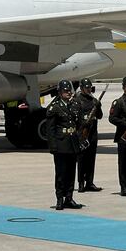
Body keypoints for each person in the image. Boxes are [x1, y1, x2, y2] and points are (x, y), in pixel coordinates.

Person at [46, 80, 83, 210]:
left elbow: (78, 125)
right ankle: (60, 199)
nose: (68, 93)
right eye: (65, 91)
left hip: (72, 144)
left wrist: (79, 141)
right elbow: (50, 130)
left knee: (71, 173)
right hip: (61, 145)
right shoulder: (54, 107)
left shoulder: (74, 105)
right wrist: (53, 146)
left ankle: (69, 198)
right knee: (61, 174)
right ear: (60, 92)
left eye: (69, 91)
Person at [73, 78, 103, 193]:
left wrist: (98, 107)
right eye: (87, 88)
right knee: (82, 159)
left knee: (91, 158)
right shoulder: (77, 100)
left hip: (93, 133)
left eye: (90, 88)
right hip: (82, 133)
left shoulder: (93, 100)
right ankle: (81, 182)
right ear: (81, 88)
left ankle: (90, 182)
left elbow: (99, 116)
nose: (89, 90)